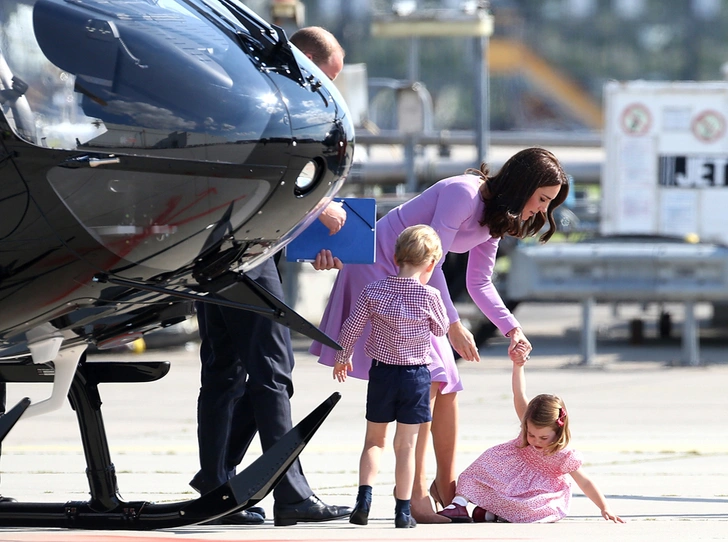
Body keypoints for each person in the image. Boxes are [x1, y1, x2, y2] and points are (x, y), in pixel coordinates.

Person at [311, 146, 570, 523]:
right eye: (543, 199)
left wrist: (512, 329)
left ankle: (445, 487)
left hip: (423, 283)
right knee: (429, 378)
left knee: (447, 382)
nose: (543, 211)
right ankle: (415, 498)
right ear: (523, 185)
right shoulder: (463, 194)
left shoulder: (496, 219)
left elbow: (479, 282)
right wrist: (451, 325)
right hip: (386, 268)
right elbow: (434, 263)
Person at [190, 26, 350, 526]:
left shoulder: (233, 92)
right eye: (323, 78)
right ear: (303, 61)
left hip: (207, 246)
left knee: (222, 372)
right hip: (245, 248)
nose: (325, 92)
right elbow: (265, 173)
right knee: (272, 370)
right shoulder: (270, 103)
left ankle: (215, 486)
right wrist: (322, 206)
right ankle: (291, 492)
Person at [333, 225, 449, 529]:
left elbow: (351, 327)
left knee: (374, 441)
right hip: (416, 376)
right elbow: (440, 329)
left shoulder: (373, 290)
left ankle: (364, 500)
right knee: (406, 446)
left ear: (396, 256)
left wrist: (343, 357)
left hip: (382, 373)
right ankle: (402, 510)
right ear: (431, 263)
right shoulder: (430, 295)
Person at [437, 354, 625, 524]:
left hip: (535, 492)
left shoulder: (564, 455)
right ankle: (459, 504)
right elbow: (519, 393)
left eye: (543, 437)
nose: (535, 441)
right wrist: (518, 366)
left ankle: (494, 514)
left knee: (540, 508)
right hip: (508, 474)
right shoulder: (528, 425)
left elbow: (585, 482)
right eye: (531, 434)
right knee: (478, 471)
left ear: (558, 431)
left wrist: (604, 507)